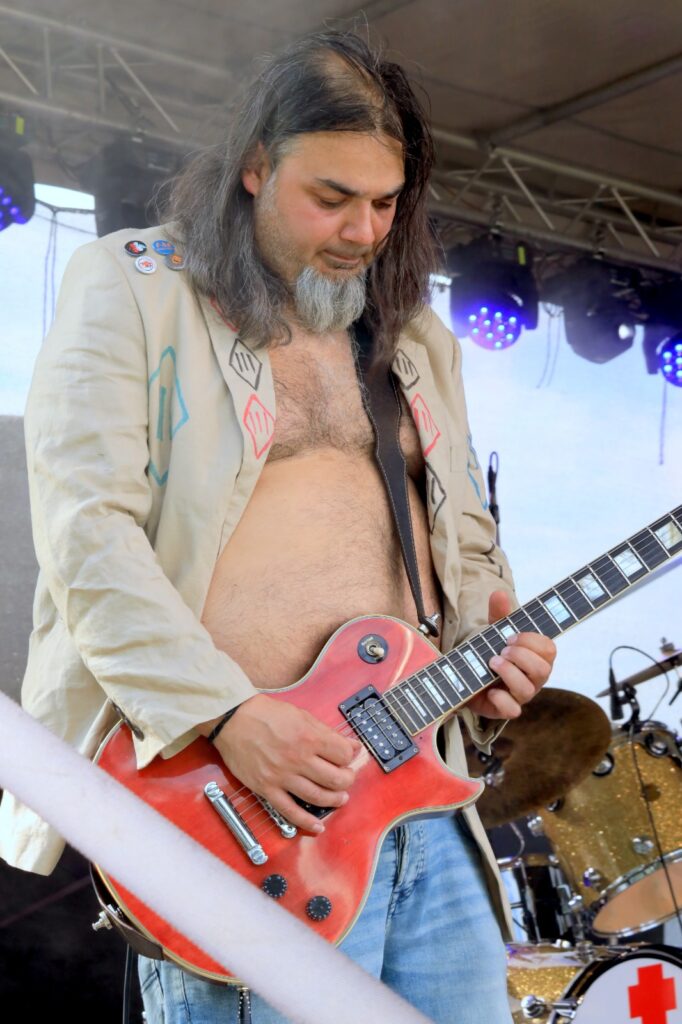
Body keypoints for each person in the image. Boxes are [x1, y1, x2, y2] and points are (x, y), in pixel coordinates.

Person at [0, 30, 556, 1024]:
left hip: (418, 804)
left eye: (384, 203)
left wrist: (490, 645)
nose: (362, 230)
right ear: (255, 165)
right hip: (239, 805)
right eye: (331, 197)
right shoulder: (134, 286)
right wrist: (225, 713)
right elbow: (90, 538)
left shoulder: (414, 337)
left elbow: (462, 539)